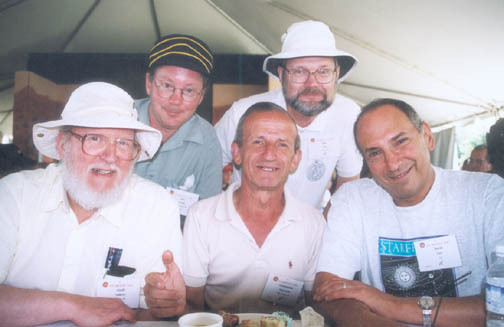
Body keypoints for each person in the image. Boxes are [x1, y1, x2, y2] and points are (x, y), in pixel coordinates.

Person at [0, 82, 185, 326]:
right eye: (95, 138)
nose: (110, 156)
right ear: (62, 145)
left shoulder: (156, 208)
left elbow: (155, 315)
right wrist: (73, 306)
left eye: (122, 143)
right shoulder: (14, 195)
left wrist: (166, 305)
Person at [313, 98, 504, 327]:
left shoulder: (488, 194)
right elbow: (328, 288)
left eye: (400, 141)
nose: (392, 163)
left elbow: (498, 308)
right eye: (375, 153)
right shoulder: (353, 198)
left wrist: (391, 305)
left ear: (427, 136)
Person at [183, 102, 325, 315]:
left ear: (295, 159)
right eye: (258, 142)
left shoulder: (314, 223)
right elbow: (192, 307)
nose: (269, 154)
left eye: (282, 145)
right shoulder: (201, 217)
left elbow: (315, 306)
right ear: (237, 152)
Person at [215, 21, 362, 209]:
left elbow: (348, 186)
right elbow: (206, 167)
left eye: (323, 71)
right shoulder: (242, 113)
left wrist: (322, 228)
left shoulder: (348, 115)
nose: (312, 84)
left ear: (337, 73)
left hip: (309, 231)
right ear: (281, 74)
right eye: (299, 71)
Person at [134, 34, 223, 216]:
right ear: (149, 84)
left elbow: (206, 216)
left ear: (201, 96)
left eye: (189, 90)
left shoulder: (207, 141)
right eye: (167, 85)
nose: (176, 100)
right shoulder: (118, 118)